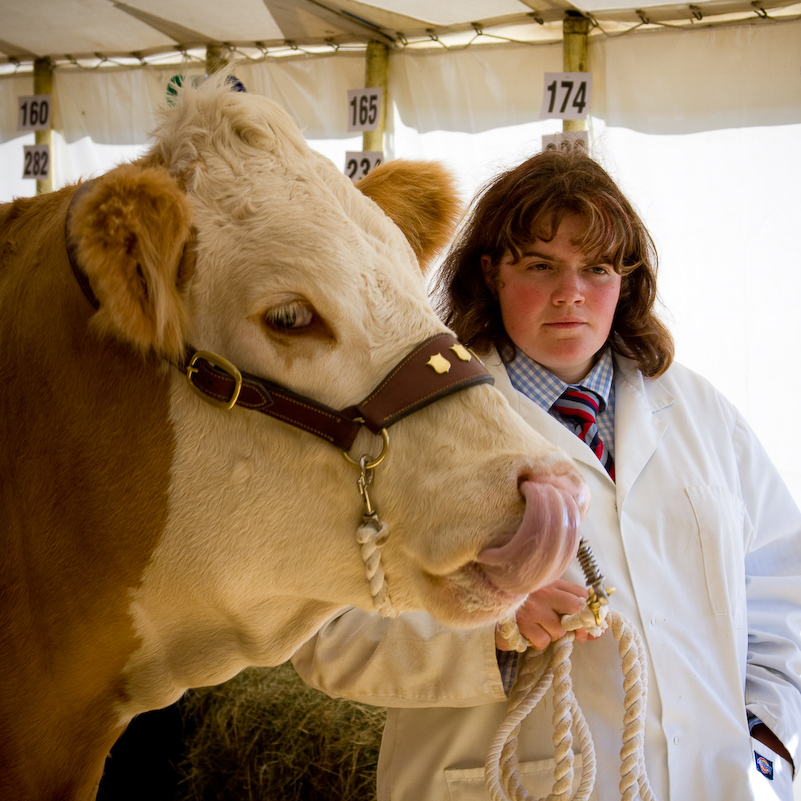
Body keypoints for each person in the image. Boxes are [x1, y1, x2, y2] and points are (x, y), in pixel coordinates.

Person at [292, 147, 801, 800]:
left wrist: (766, 737)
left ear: (627, 280)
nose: (571, 294)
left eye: (596, 268)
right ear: (490, 272)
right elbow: (327, 636)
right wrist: (492, 626)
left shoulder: (700, 412)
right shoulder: (402, 418)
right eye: (540, 265)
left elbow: (782, 583)